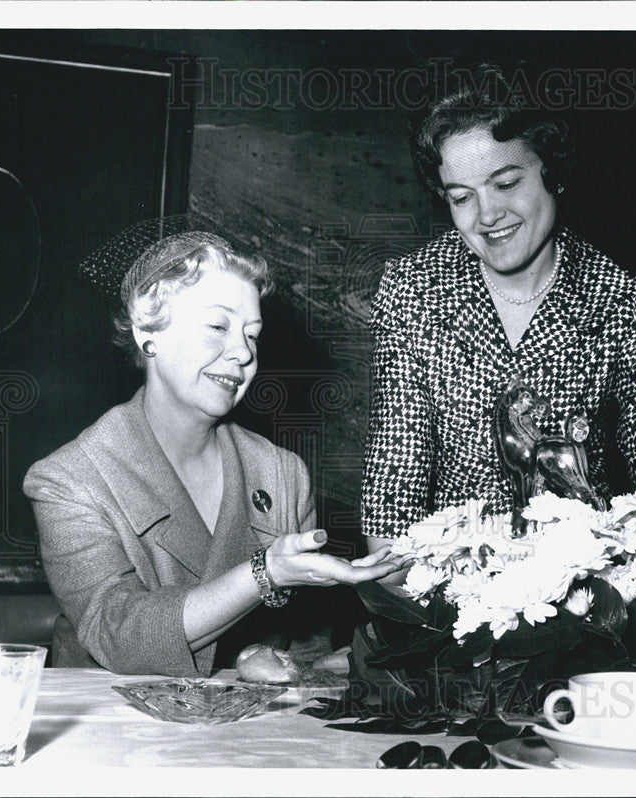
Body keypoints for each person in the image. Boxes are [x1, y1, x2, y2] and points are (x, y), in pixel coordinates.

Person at [25, 225, 400, 675]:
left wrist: (269, 658)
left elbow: (302, 641)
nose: (243, 353)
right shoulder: (70, 478)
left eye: (252, 335)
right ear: (149, 331)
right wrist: (265, 574)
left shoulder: (282, 473)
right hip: (111, 724)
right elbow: (117, 632)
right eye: (218, 326)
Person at [362, 65, 636, 551]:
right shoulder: (411, 291)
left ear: (552, 171)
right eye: (461, 197)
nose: (486, 215)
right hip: (445, 599)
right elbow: (390, 513)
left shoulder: (625, 300)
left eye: (505, 183)